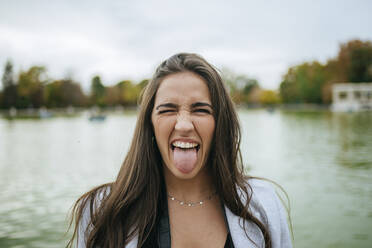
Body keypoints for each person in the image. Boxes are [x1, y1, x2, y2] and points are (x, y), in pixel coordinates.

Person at [67, 53, 292, 248]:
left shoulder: (264, 206)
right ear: (150, 124)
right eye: (168, 110)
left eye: (201, 110)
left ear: (220, 124)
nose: (183, 125)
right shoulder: (102, 213)